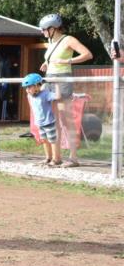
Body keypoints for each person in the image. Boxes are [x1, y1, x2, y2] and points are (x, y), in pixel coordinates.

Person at [38, 13, 92, 167]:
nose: (42, 32)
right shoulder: (51, 41)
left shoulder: (68, 39)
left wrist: (67, 60)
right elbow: (53, 59)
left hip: (62, 80)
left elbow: (87, 54)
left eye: (44, 29)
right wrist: (47, 63)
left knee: (66, 120)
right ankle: (56, 157)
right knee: (53, 120)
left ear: (53, 28)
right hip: (50, 79)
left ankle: (73, 158)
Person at [22, 72, 62, 167]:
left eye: (29, 87)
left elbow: (58, 97)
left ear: (37, 86)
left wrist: (57, 84)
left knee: (52, 140)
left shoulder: (46, 94)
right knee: (44, 140)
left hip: (49, 122)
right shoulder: (29, 96)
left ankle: (56, 159)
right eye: (26, 88)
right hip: (40, 123)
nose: (27, 90)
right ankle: (48, 158)